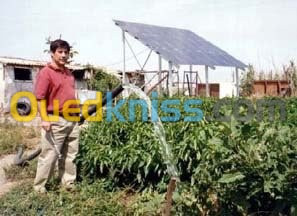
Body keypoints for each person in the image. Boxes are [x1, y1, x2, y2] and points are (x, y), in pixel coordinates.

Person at [33, 39, 79, 193]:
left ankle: (68, 184)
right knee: (49, 155)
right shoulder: (46, 73)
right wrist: (45, 119)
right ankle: (39, 187)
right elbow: (40, 98)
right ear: (52, 53)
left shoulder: (68, 73)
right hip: (55, 119)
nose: (64, 55)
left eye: (66, 52)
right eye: (60, 52)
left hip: (72, 119)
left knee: (70, 154)